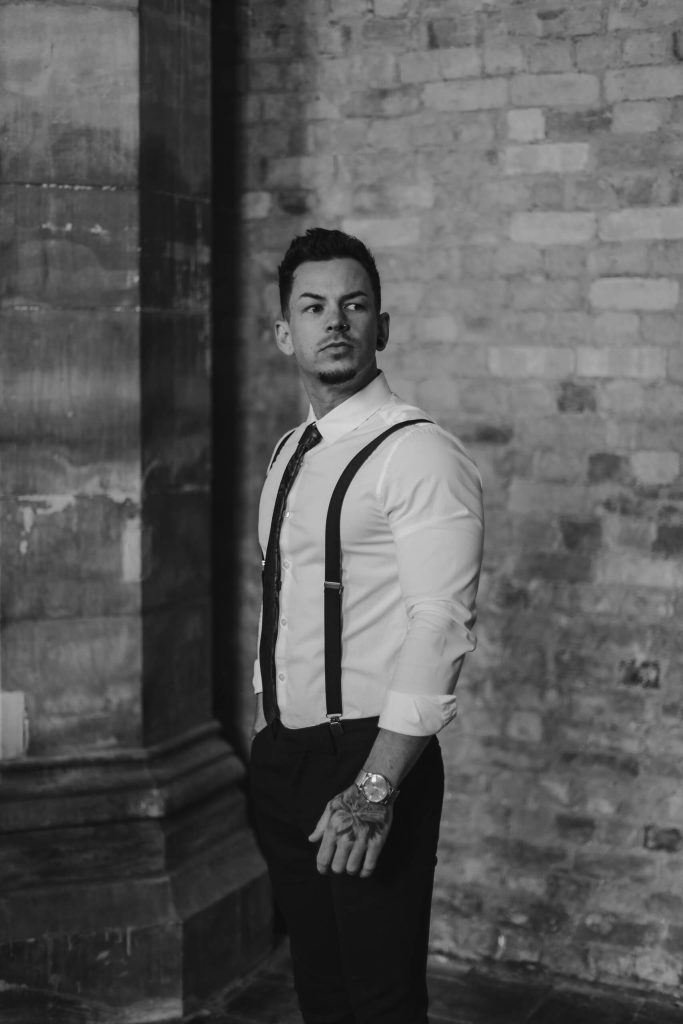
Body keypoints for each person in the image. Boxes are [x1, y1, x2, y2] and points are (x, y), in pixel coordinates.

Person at [249, 227, 484, 1024]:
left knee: (380, 1000)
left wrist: (374, 786)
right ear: (285, 332)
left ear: (380, 326)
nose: (335, 322)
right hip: (284, 759)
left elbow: (438, 623)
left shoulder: (418, 453)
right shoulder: (289, 451)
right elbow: (283, 600)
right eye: (313, 307)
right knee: (320, 987)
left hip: (369, 761)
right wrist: (268, 730)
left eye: (354, 306)